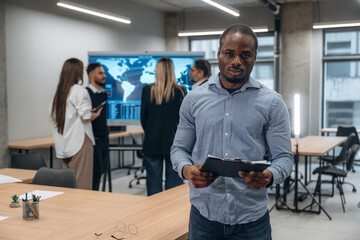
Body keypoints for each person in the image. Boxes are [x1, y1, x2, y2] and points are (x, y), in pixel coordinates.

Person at [171, 24, 294, 240]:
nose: (236, 61)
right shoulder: (194, 99)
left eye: (245, 55)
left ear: (255, 57)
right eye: (230, 53)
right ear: (219, 53)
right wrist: (186, 170)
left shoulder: (272, 103)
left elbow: (283, 158)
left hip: (252, 220)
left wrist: (270, 175)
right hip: (204, 218)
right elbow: (179, 149)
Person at [50, 58, 102, 190]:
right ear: (77, 72)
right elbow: (86, 116)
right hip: (80, 143)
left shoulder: (58, 94)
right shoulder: (79, 90)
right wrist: (95, 114)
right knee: (82, 187)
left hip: (64, 145)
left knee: (68, 186)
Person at [141, 57, 187, 196]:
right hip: (174, 143)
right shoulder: (181, 91)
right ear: (172, 71)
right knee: (173, 186)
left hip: (152, 142)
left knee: (153, 184)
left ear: (157, 71)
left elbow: (143, 118)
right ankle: (171, 215)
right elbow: (184, 120)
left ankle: (154, 214)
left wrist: (151, 131)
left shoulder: (147, 90)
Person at [86, 63, 110, 191]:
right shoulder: (86, 93)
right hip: (93, 140)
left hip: (104, 137)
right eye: (100, 73)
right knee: (94, 174)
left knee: (100, 171)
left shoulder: (103, 94)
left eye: (104, 73)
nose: (104, 76)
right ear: (91, 75)